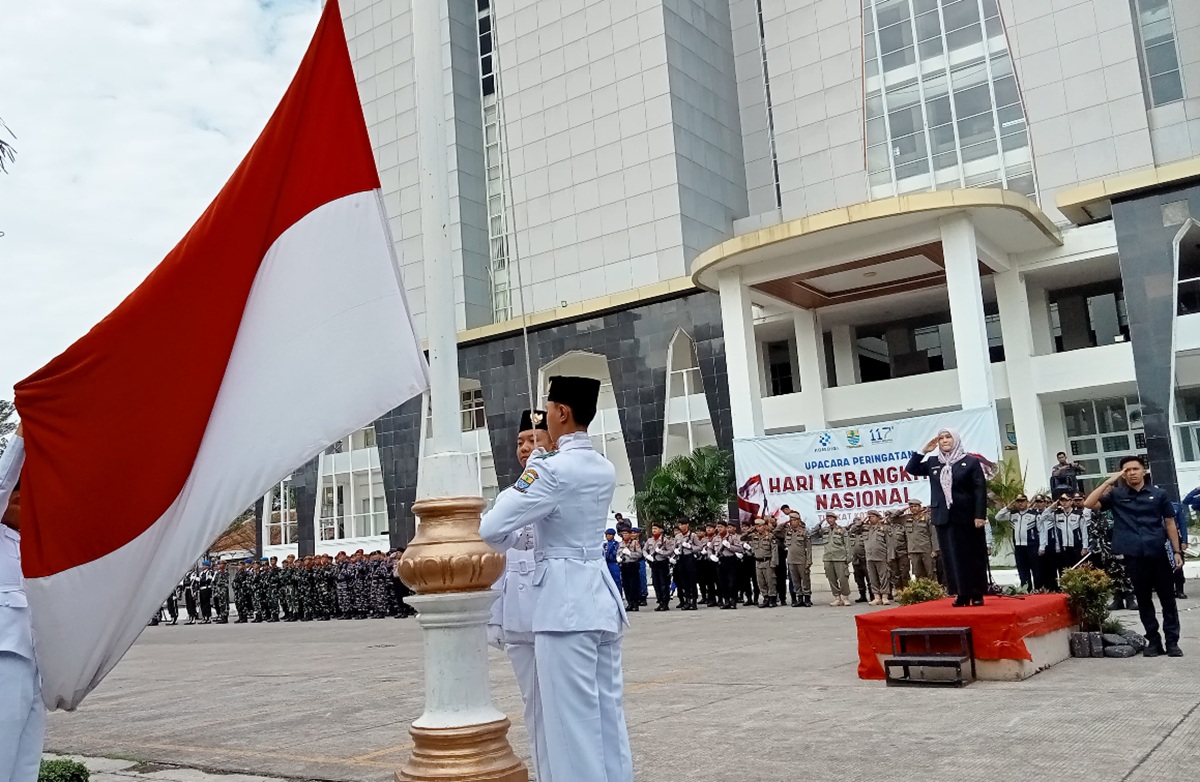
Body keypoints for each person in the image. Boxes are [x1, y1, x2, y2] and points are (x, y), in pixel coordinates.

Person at [479, 375, 634, 782]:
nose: (545, 419)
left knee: (569, 728)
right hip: (598, 596)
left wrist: (529, 473)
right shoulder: (601, 466)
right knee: (606, 718)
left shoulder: (550, 469)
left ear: (562, 413)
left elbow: (493, 527)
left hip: (562, 607)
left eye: (548, 410)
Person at [485, 408, 553, 780]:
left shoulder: (559, 485)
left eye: (534, 440)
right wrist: (494, 617)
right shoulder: (509, 496)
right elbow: (500, 558)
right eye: (520, 443)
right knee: (533, 703)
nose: (525, 449)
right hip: (517, 612)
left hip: (551, 607)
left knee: (563, 703)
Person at [1085, 455, 1183, 658]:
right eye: (1127, 470)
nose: (1132, 473)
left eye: (1135, 469)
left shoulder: (1159, 494)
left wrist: (1177, 551)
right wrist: (1109, 482)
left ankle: (1172, 642)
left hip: (1158, 553)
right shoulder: (1117, 495)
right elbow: (1089, 503)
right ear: (1123, 474)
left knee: (1168, 601)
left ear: (1144, 471)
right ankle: (1153, 642)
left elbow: (1170, 522)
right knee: (1144, 600)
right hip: (1134, 556)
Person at [0, 425, 45, 782]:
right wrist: (24, 431)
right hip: (3, 658)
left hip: (33, 663)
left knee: (26, 766)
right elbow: (3, 480)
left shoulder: (32, 545)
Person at [906, 429, 989, 607]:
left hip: (967, 517)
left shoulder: (970, 461)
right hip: (944, 518)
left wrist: (979, 515)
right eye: (941, 438)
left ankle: (976, 593)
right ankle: (961, 593)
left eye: (948, 437)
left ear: (956, 439)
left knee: (972, 555)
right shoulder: (934, 462)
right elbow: (911, 469)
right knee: (952, 558)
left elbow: (979, 489)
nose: (944, 441)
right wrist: (924, 451)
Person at [995, 495, 1039, 590]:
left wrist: (1041, 546)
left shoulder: (1034, 514)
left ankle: (1038, 589)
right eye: (1018, 501)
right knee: (1022, 570)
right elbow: (998, 517)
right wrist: (1007, 508)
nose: (1020, 503)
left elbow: (1040, 530)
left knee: (1036, 569)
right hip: (1019, 546)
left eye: (1022, 501)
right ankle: (1026, 589)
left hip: (1032, 545)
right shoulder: (1013, 514)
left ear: (1027, 502)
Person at [902, 500, 940, 582]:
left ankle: (934, 593)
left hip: (926, 550)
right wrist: (904, 509)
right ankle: (921, 593)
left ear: (920, 507)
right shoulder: (907, 519)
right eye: (911, 507)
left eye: (915, 506)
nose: (913, 508)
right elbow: (892, 518)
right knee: (918, 574)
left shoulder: (927, 518)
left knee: (930, 573)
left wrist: (935, 550)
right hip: (913, 551)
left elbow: (933, 534)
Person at [821, 512, 852, 607]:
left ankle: (845, 597)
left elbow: (847, 544)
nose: (829, 520)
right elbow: (812, 533)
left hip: (840, 558)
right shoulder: (824, 530)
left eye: (831, 518)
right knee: (831, 579)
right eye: (827, 518)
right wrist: (819, 524)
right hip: (828, 558)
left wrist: (848, 556)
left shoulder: (842, 530)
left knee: (843, 579)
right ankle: (837, 597)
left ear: (835, 519)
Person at [783, 512, 813, 607]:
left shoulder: (804, 532)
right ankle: (799, 598)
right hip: (791, 560)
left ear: (799, 521)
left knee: (805, 580)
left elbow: (809, 548)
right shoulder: (788, 532)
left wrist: (809, 560)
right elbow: (776, 531)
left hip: (802, 560)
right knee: (795, 581)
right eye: (791, 520)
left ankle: (807, 598)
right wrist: (784, 523)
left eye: (795, 520)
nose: (793, 522)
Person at [644, 524, 674, 611]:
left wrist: (661, 552)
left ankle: (665, 603)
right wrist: (647, 556)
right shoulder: (650, 540)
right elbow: (644, 550)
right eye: (653, 528)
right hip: (654, 563)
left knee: (664, 583)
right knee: (656, 583)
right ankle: (660, 601)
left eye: (656, 528)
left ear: (660, 530)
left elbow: (670, 551)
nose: (653, 530)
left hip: (662, 563)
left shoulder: (665, 540)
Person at [863, 510, 890, 605]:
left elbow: (889, 544)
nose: (870, 518)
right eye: (869, 516)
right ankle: (876, 597)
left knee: (883, 577)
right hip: (870, 557)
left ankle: (885, 596)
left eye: (873, 516)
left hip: (881, 556)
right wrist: (863, 521)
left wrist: (890, 556)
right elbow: (853, 529)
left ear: (878, 517)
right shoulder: (866, 528)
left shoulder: (884, 528)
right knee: (873, 577)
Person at [672, 521, 700, 611]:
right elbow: (674, 547)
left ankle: (694, 602)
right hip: (681, 559)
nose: (681, 526)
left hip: (690, 559)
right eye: (680, 525)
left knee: (692, 581)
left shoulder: (693, 536)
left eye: (683, 524)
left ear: (687, 525)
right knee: (684, 581)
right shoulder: (678, 536)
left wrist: (691, 547)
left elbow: (700, 547)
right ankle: (687, 601)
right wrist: (675, 551)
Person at [716, 521, 743, 610]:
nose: (719, 529)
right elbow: (709, 548)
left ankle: (733, 600)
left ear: (726, 528)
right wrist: (710, 555)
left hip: (731, 560)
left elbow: (739, 548)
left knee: (732, 582)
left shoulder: (732, 537)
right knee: (722, 582)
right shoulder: (716, 538)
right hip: (721, 560)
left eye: (721, 527)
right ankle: (726, 601)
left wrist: (729, 546)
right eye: (718, 527)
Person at [617, 530, 643, 612]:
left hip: (632, 565)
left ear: (630, 534)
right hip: (624, 565)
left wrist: (630, 553)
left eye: (626, 533)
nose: (624, 535)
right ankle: (629, 603)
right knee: (626, 585)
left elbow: (639, 554)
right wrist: (618, 557)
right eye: (623, 534)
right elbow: (618, 553)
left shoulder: (635, 543)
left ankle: (635, 603)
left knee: (633, 585)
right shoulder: (621, 543)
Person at [847, 514, 871, 603]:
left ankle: (872, 596)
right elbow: (850, 529)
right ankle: (862, 596)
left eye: (858, 522)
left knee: (870, 579)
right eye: (854, 523)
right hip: (856, 560)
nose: (856, 525)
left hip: (865, 559)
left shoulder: (866, 532)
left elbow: (860, 528)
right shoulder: (851, 534)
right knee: (859, 579)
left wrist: (862, 524)